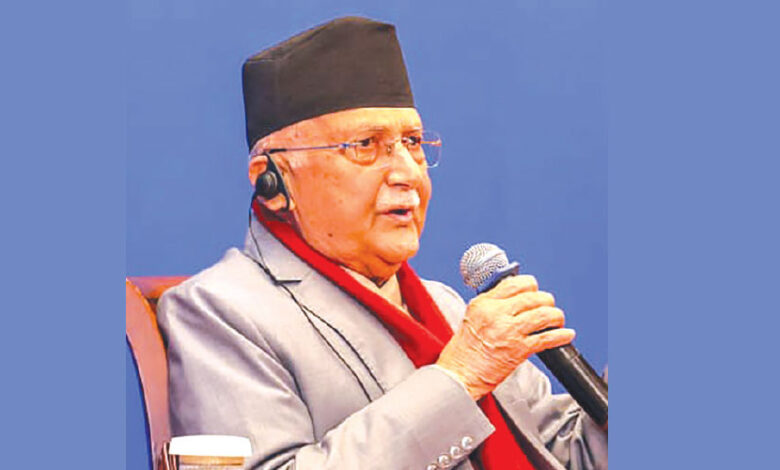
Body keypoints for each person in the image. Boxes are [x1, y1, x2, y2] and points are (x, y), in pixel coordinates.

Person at [157, 16, 607, 470]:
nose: (408, 173)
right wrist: (461, 376)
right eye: (365, 145)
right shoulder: (220, 313)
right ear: (273, 181)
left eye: (413, 142)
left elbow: (566, 452)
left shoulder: (446, 308)